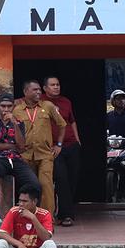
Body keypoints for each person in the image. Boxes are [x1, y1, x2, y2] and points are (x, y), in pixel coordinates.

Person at [13, 80, 67, 216]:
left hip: (45, 154)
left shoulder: (47, 106)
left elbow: (62, 125)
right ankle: (27, 215)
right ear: (25, 92)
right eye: (34, 90)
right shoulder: (17, 110)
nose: (38, 92)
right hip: (25, 155)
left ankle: (47, 218)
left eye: (39, 90)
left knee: (46, 185)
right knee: (28, 187)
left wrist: (59, 144)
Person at [0, 92, 37, 219]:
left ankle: (31, 211)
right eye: (3, 106)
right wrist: (11, 146)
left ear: (13, 106)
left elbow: (21, 146)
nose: (6, 109)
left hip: (15, 159)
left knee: (34, 182)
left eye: (9, 106)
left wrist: (14, 123)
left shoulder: (18, 123)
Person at [44, 76, 81, 227]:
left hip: (71, 145)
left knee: (73, 179)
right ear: (45, 88)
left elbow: (71, 121)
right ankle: (66, 215)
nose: (56, 87)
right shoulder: (41, 102)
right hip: (54, 147)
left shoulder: (66, 102)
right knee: (61, 179)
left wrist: (78, 140)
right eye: (52, 85)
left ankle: (64, 211)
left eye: (58, 84)